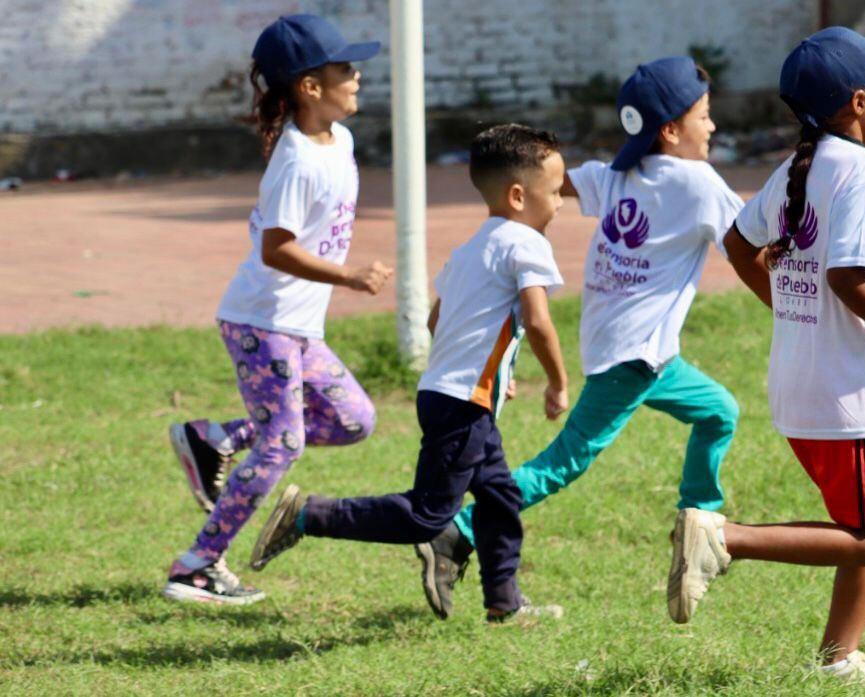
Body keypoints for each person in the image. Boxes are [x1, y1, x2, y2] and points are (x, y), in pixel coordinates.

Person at [665, 28, 865, 682]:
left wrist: (791, 313)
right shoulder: (862, 170)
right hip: (847, 392)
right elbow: (848, 275)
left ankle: (837, 655)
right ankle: (721, 539)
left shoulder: (802, 164)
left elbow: (740, 245)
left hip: (813, 384)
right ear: (857, 102)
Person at [416, 57, 744, 619]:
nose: (712, 128)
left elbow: (559, 180)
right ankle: (459, 529)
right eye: (705, 116)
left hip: (641, 351)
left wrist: (505, 169)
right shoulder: (698, 182)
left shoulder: (617, 175)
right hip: (632, 357)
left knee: (719, 411)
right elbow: (753, 232)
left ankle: (699, 519)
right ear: (670, 130)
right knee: (566, 460)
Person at [249, 124, 570, 623]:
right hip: (465, 401)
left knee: (499, 495)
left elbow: (436, 320)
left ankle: (504, 603)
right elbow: (538, 320)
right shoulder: (527, 244)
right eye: (554, 193)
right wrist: (557, 381)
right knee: (427, 514)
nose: (560, 204)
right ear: (518, 194)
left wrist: (487, 361)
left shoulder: (470, 250)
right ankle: (310, 514)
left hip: (447, 393)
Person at [163, 14, 390, 605]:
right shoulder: (297, 159)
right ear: (310, 87)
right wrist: (350, 275)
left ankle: (215, 437)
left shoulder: (337, 140)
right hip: (261, 323)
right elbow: (276, 247)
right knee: (282, 443)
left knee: (353, 420)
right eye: (345, 69)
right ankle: (197, 565)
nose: (358, 76)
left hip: (295, 327)